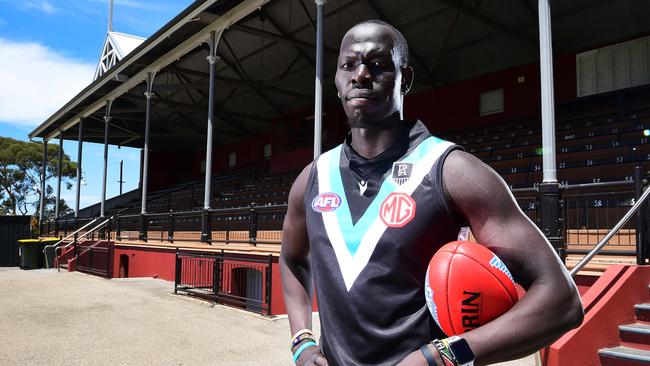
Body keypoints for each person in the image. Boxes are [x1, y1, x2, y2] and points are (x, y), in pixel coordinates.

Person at [280, 19, 583, 366]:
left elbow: (562, 301)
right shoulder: (313, 178)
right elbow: (292, 257)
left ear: (404, 79)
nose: (360, 75)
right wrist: (302, 340)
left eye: (377, 65)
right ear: (336, 80)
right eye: (348, 65)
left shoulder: (453, 171)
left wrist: (445, 357)